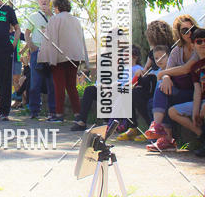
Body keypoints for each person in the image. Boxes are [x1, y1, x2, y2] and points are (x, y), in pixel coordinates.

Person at [145, 14, 198, 152]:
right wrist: (166, 76)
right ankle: (163, 136)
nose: (189, 33)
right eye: (185, 30)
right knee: (162, 87)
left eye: (192, 28)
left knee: (161, 90)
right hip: (182, 92)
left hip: (195, 91)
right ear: (179, 33)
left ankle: (162, 133)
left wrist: (163, 74)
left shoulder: (199, 46)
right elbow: (167, 71)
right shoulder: (176, 51)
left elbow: (187, 68)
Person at [37, 0, 89, 124]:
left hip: (59, 57)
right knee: (72, 86)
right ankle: (78, 114)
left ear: (57, 7)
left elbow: (50, 40)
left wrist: (46, 58)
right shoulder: (76, 20)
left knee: (59, 86)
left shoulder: (55, 20)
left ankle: (59, 114)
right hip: (74, 57)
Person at [71, 45, 143, 133]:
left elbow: (135, 82)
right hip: (111, 89)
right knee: (90, 90)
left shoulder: (137, 69)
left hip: (122, 92)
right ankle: (82, 121)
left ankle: (114, 123)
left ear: (135, 57)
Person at [167, 27, 205, 157]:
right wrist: (195, 112)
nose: (203, 44)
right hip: (201, 101)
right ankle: (202, 136)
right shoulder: (195, 67)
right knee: (173, 111)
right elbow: (197, 91)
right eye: (199, 41)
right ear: (193, 45)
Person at [24, 0, 56, 120]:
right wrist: (31, 46)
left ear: (49, 1)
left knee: (52, 83)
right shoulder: (33, 16)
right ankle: (34, 110)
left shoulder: (54, 17)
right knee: (35, 83)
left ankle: (52, 111)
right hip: (37, 52)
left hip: (51, 53)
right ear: (38, 1)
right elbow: (26, 33)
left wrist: (51, 15)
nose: (43, 1)